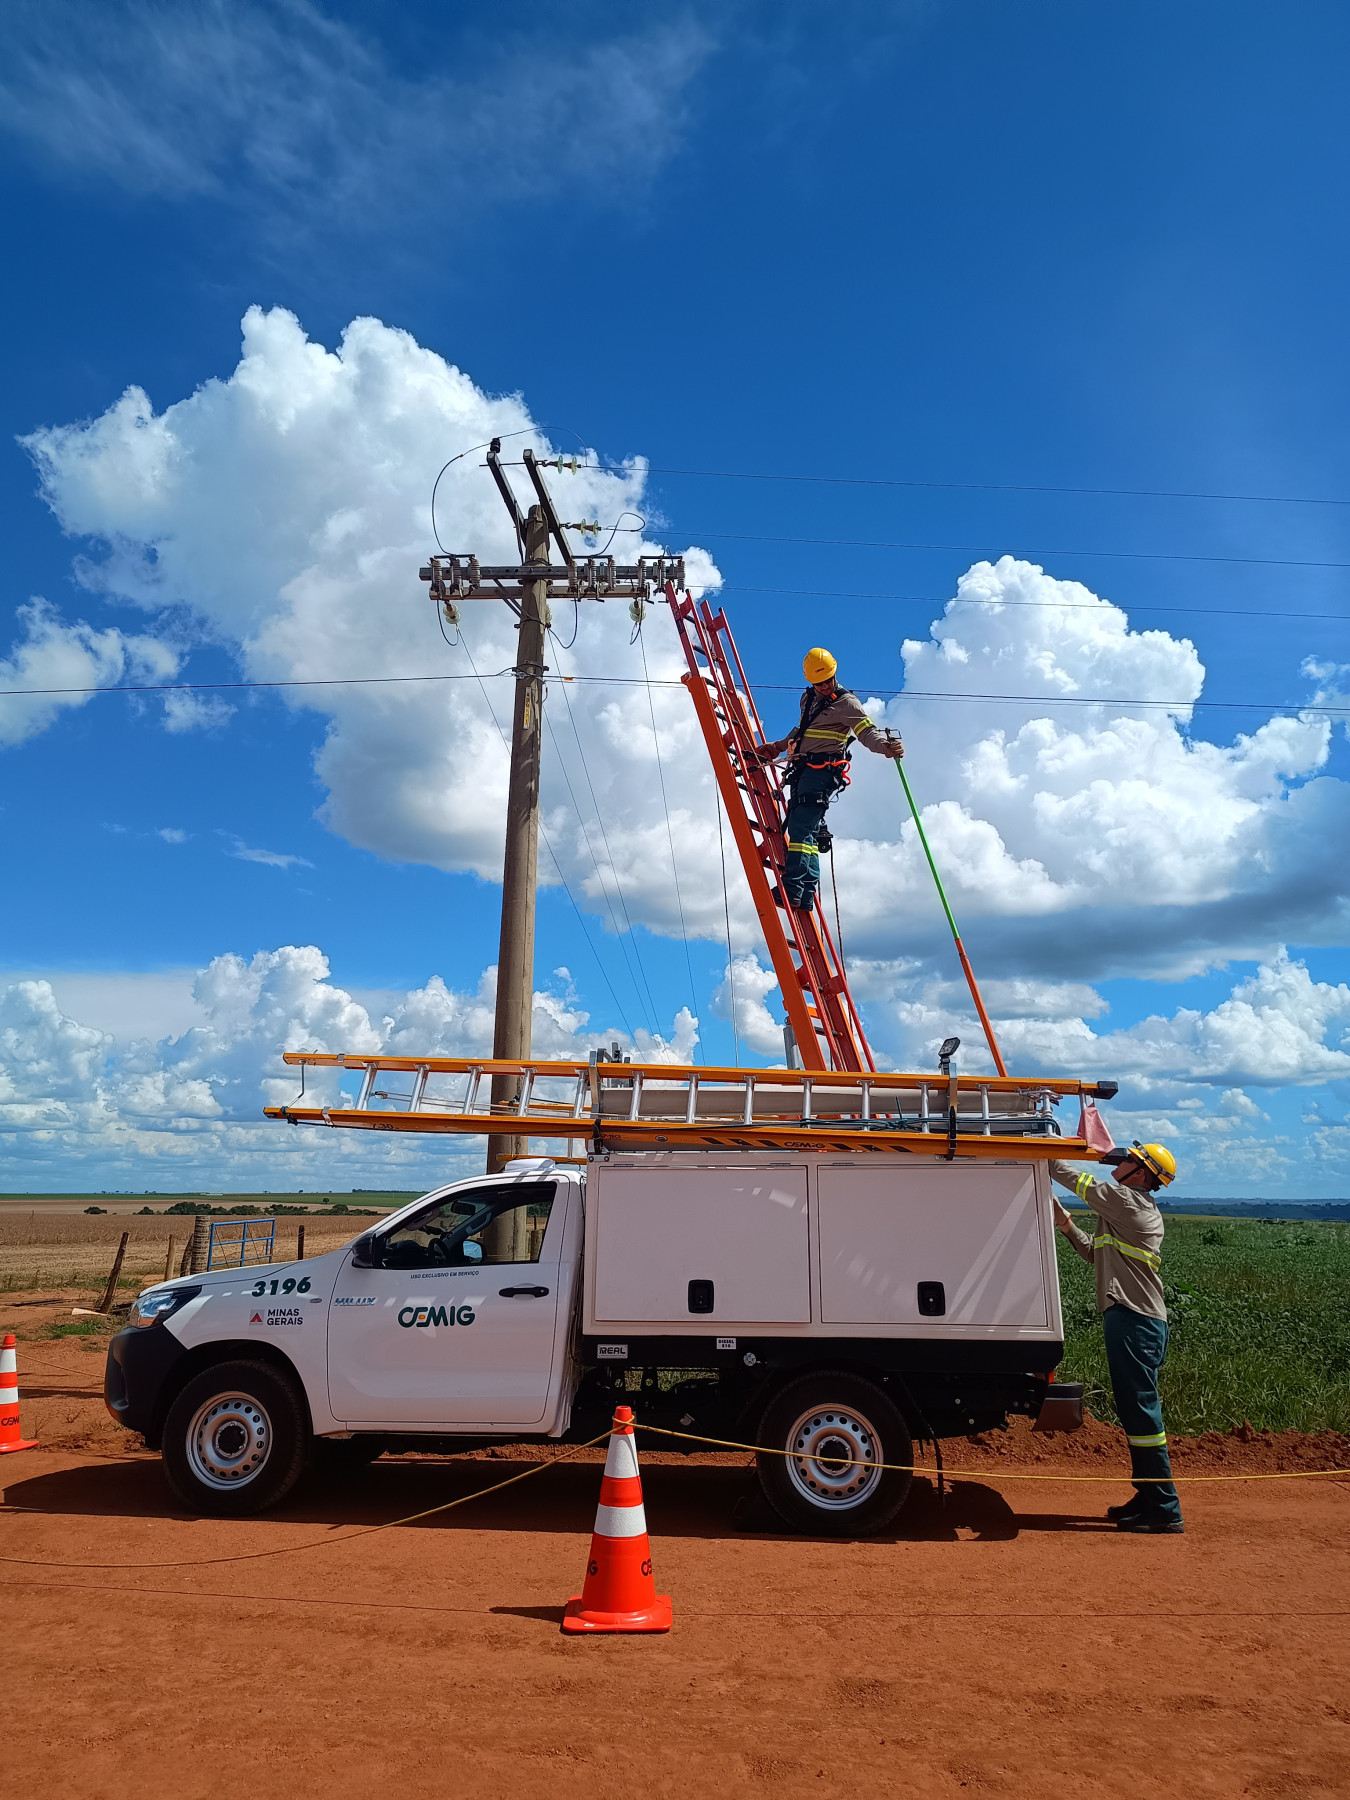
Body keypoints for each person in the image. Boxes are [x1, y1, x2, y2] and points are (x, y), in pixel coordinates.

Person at [1049, 1141, 1184, 1534]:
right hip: (1131, 1319)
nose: (1121, 1162)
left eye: (1129, 1160)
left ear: (1140, 1174)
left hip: (1134, 1321)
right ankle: (1149, 1497)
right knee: (1135, 1412)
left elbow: (1072, 1177)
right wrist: (1066, 1224)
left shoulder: (1128, 1204)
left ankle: (1164, 1507)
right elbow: (1096, 1254)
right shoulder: (1127, 1210)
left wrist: (1037, 1151)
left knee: (1142, 1415)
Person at [757, 647, 903, 912]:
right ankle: (805, 894)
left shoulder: (847, 704)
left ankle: (793, 890)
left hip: (822, 772)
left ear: (835, 674)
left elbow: (866, 731)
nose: (824, 686)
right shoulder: (809, 698)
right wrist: (777, 746)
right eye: (818, 683)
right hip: (803, 769)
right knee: (808, 832)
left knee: (800, 828)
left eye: (827, 681)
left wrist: (886, 747)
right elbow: (803, 730)